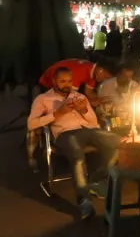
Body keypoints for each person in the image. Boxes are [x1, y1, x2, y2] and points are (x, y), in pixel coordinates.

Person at [28, 67, 119, 219]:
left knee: (118, 142)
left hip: (88, 130)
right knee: (77, 157)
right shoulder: (43, 99)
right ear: (54, 81)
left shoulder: (79, 96)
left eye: (69, 81)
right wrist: (57, 113)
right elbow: (31, 124)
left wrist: (84, 111)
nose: (67, 85)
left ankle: (95, 180)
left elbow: (94, 123)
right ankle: (84, 201)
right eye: (62, 81)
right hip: (66, 134)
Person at [39, 59, 112, 106]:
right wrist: (91, 102)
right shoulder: (79, 72)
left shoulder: (93, 71)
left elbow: (88, 92)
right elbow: (69, 96)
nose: (105, 80)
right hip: (47, 83)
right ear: (100, 70)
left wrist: (102, 100)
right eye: (106, 77)